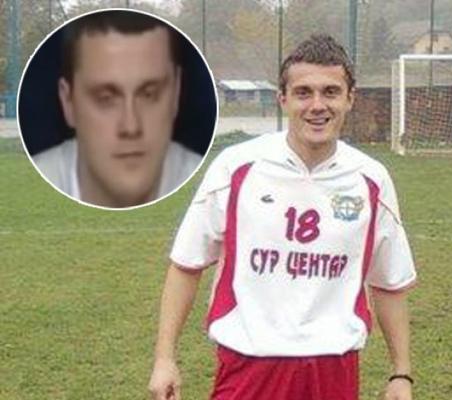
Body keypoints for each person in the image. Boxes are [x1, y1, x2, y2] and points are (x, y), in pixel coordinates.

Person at [149, 34, 417, 400]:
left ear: (350, 98)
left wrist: (401, 373)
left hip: (333, 370)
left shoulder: (371, 180)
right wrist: (165, 358)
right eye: (303, 92)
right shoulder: (236, 168)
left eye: (331, 92)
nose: (317, 105)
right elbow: (186, 264)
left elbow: (389, 282)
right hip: (248, 366)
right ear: (283, 99)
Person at [32, 10, 202, 208]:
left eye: (149, 94)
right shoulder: (41, 178)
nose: (131, 127)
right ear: (68, 101)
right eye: (105, 98)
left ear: (176, 92)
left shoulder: (209, 182)